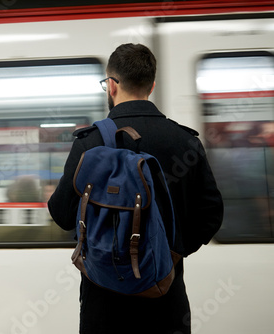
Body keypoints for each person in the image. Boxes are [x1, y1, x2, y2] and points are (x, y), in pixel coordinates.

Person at [47, 43, 223, 334]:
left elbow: (62, 215)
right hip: (165, 302)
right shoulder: (185, 141)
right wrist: (172, 253)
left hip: (103, 306)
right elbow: (211, 216)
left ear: (112, 86)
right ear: (151, 86)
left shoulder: (89, 143)